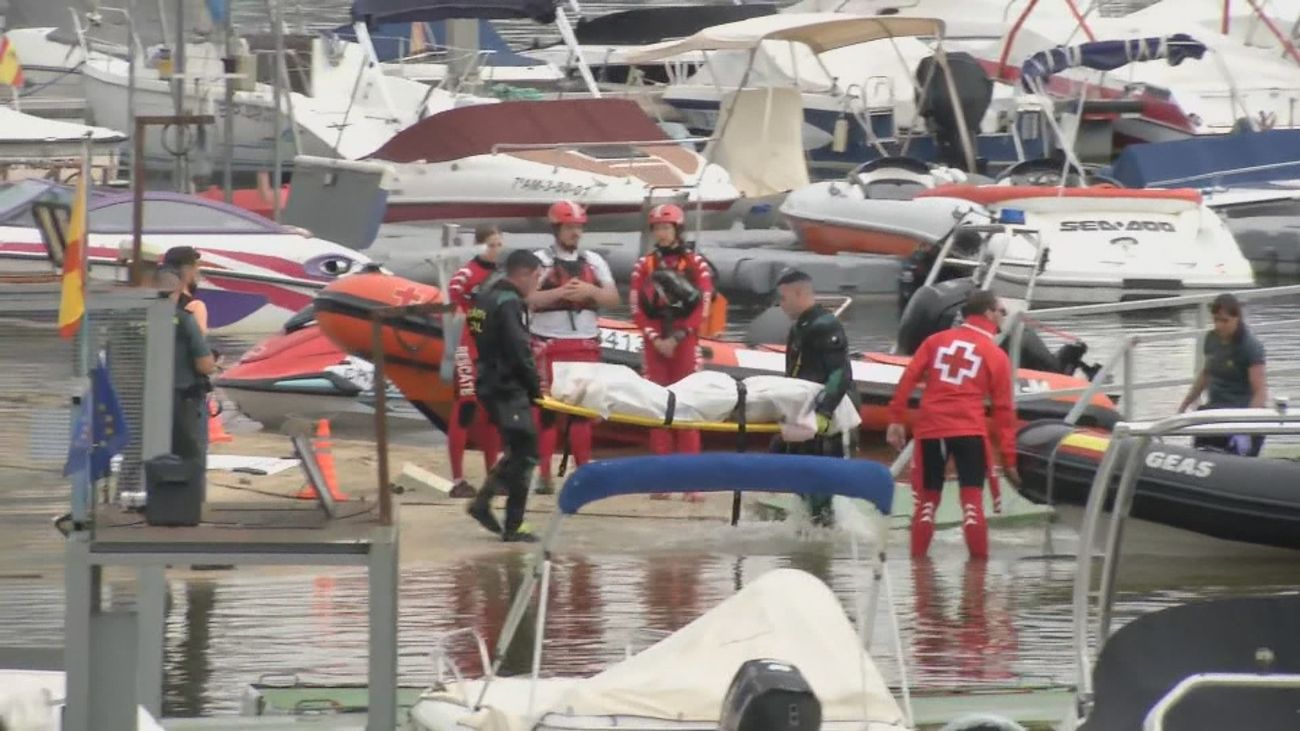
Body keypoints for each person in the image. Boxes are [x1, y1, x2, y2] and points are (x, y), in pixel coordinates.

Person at [886, 290, 1020, 560]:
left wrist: (896, 419)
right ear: (988, 314)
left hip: (931, 429)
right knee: (971, 503)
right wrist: (1009, 459)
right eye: (1002, 310)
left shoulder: (935, 341)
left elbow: (908, 378)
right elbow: (1004, 412)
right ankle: (977, 578)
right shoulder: (995, 355)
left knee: (926, 503)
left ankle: (918, 576)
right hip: (969, 430)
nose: (1004, 316)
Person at [527, 201, 620, 494]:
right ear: (556, 229)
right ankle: (543, 474)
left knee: (582, 413)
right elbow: (527, 299)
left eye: (578, 228)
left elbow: (613, 299)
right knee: (546, 413)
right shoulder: (539, 261)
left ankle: (583, 472)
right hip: (549, 344)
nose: (575, 233)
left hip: (585, 344)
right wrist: (559, 292)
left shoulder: (593, 261)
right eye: (569, 228)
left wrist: (590, 291)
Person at [629, 204, 715, 500]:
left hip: (685, 342)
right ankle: (661, 481)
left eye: (666, 228)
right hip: (656, 344)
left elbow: (702, 305)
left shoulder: (695, 264)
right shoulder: (644, 266)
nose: (662, 234)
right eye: (657, 229)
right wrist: (655, 338)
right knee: (657, 409)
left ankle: (691, 483)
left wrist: (679, 336)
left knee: (687, 408)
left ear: (677, 230)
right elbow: (637, 308)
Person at [466, 249, 545, 542]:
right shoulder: (510, 303)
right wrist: (536, 389)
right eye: (536, 277)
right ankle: (514, 525)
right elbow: (518, 351)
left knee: (518, 449)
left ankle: (482, 503)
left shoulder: (486, 296)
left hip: (489, 381)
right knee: (527, 452)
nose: (537, 284)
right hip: (506, 387)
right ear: (522, 274)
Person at [771, 269, 855, 527]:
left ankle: (823, 549)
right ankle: (809, 540)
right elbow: (793, 375)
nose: (780, 305)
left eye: (783, 298)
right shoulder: (799, 328)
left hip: (822, 417)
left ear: (799, 294)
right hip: (802, 413)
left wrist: (823, 413)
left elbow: (840, 373)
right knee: (801, 484)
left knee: (820, 489)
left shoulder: (826, 325)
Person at [444, 225, 505, 497]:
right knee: (465, 410)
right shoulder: (464, 275)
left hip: (493, 350)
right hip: (467, 350)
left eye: (498, 244)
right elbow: (453, 310)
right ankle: (457, 480)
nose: (495, 250)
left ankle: (492, 476)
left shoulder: (501, 276)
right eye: (491, 245)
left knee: (492, 414)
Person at [1178, 293, 1269, 456]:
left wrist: (1245, 428)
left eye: (1225, 321)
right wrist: (1183, 406)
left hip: (1242, 412)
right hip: (1217, 410)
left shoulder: (1250, 346)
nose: (1219, 325)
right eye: (1216, 320)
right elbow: (1206, 374)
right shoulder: (1211, 339)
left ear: (1237, 318)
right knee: (1201, 447)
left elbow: (1260, 392)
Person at [156, 267, 217, 496]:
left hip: (142, 399)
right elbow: (204, 364)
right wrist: (213, 361)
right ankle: (189, 501)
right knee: (190, 453)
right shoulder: (183, 319)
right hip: (181, 398)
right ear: (175, 289)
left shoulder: (133, 316)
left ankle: (133, 498)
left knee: (140, 453)